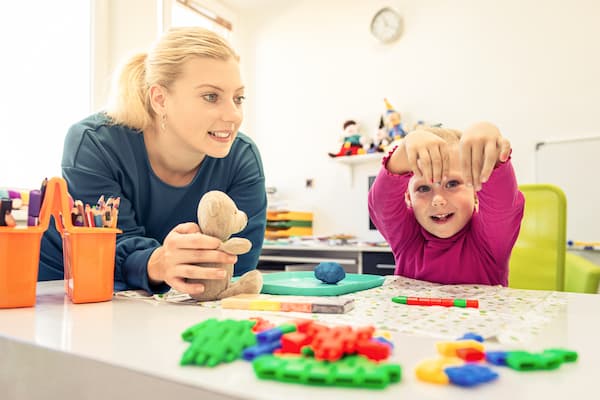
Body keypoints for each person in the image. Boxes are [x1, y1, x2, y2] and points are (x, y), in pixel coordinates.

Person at [39, 27, 267, 297]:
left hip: (156, 300)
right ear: (160, 99)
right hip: (58, 288)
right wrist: (158, 261)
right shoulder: (95, 143)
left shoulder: (242, 158)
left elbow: (235, 267)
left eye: (238, 98)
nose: (233, 115)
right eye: (211, 96)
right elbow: (107, 248)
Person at [368, 122, 524, 286]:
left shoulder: (490, 241)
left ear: (476, 192)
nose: (437, 200)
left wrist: (489, 154)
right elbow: (381, 205)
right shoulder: (407, 239)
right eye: (423, 188)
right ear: (408, 198)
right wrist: (400, 157)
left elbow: (502, 204)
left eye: (452, 184)